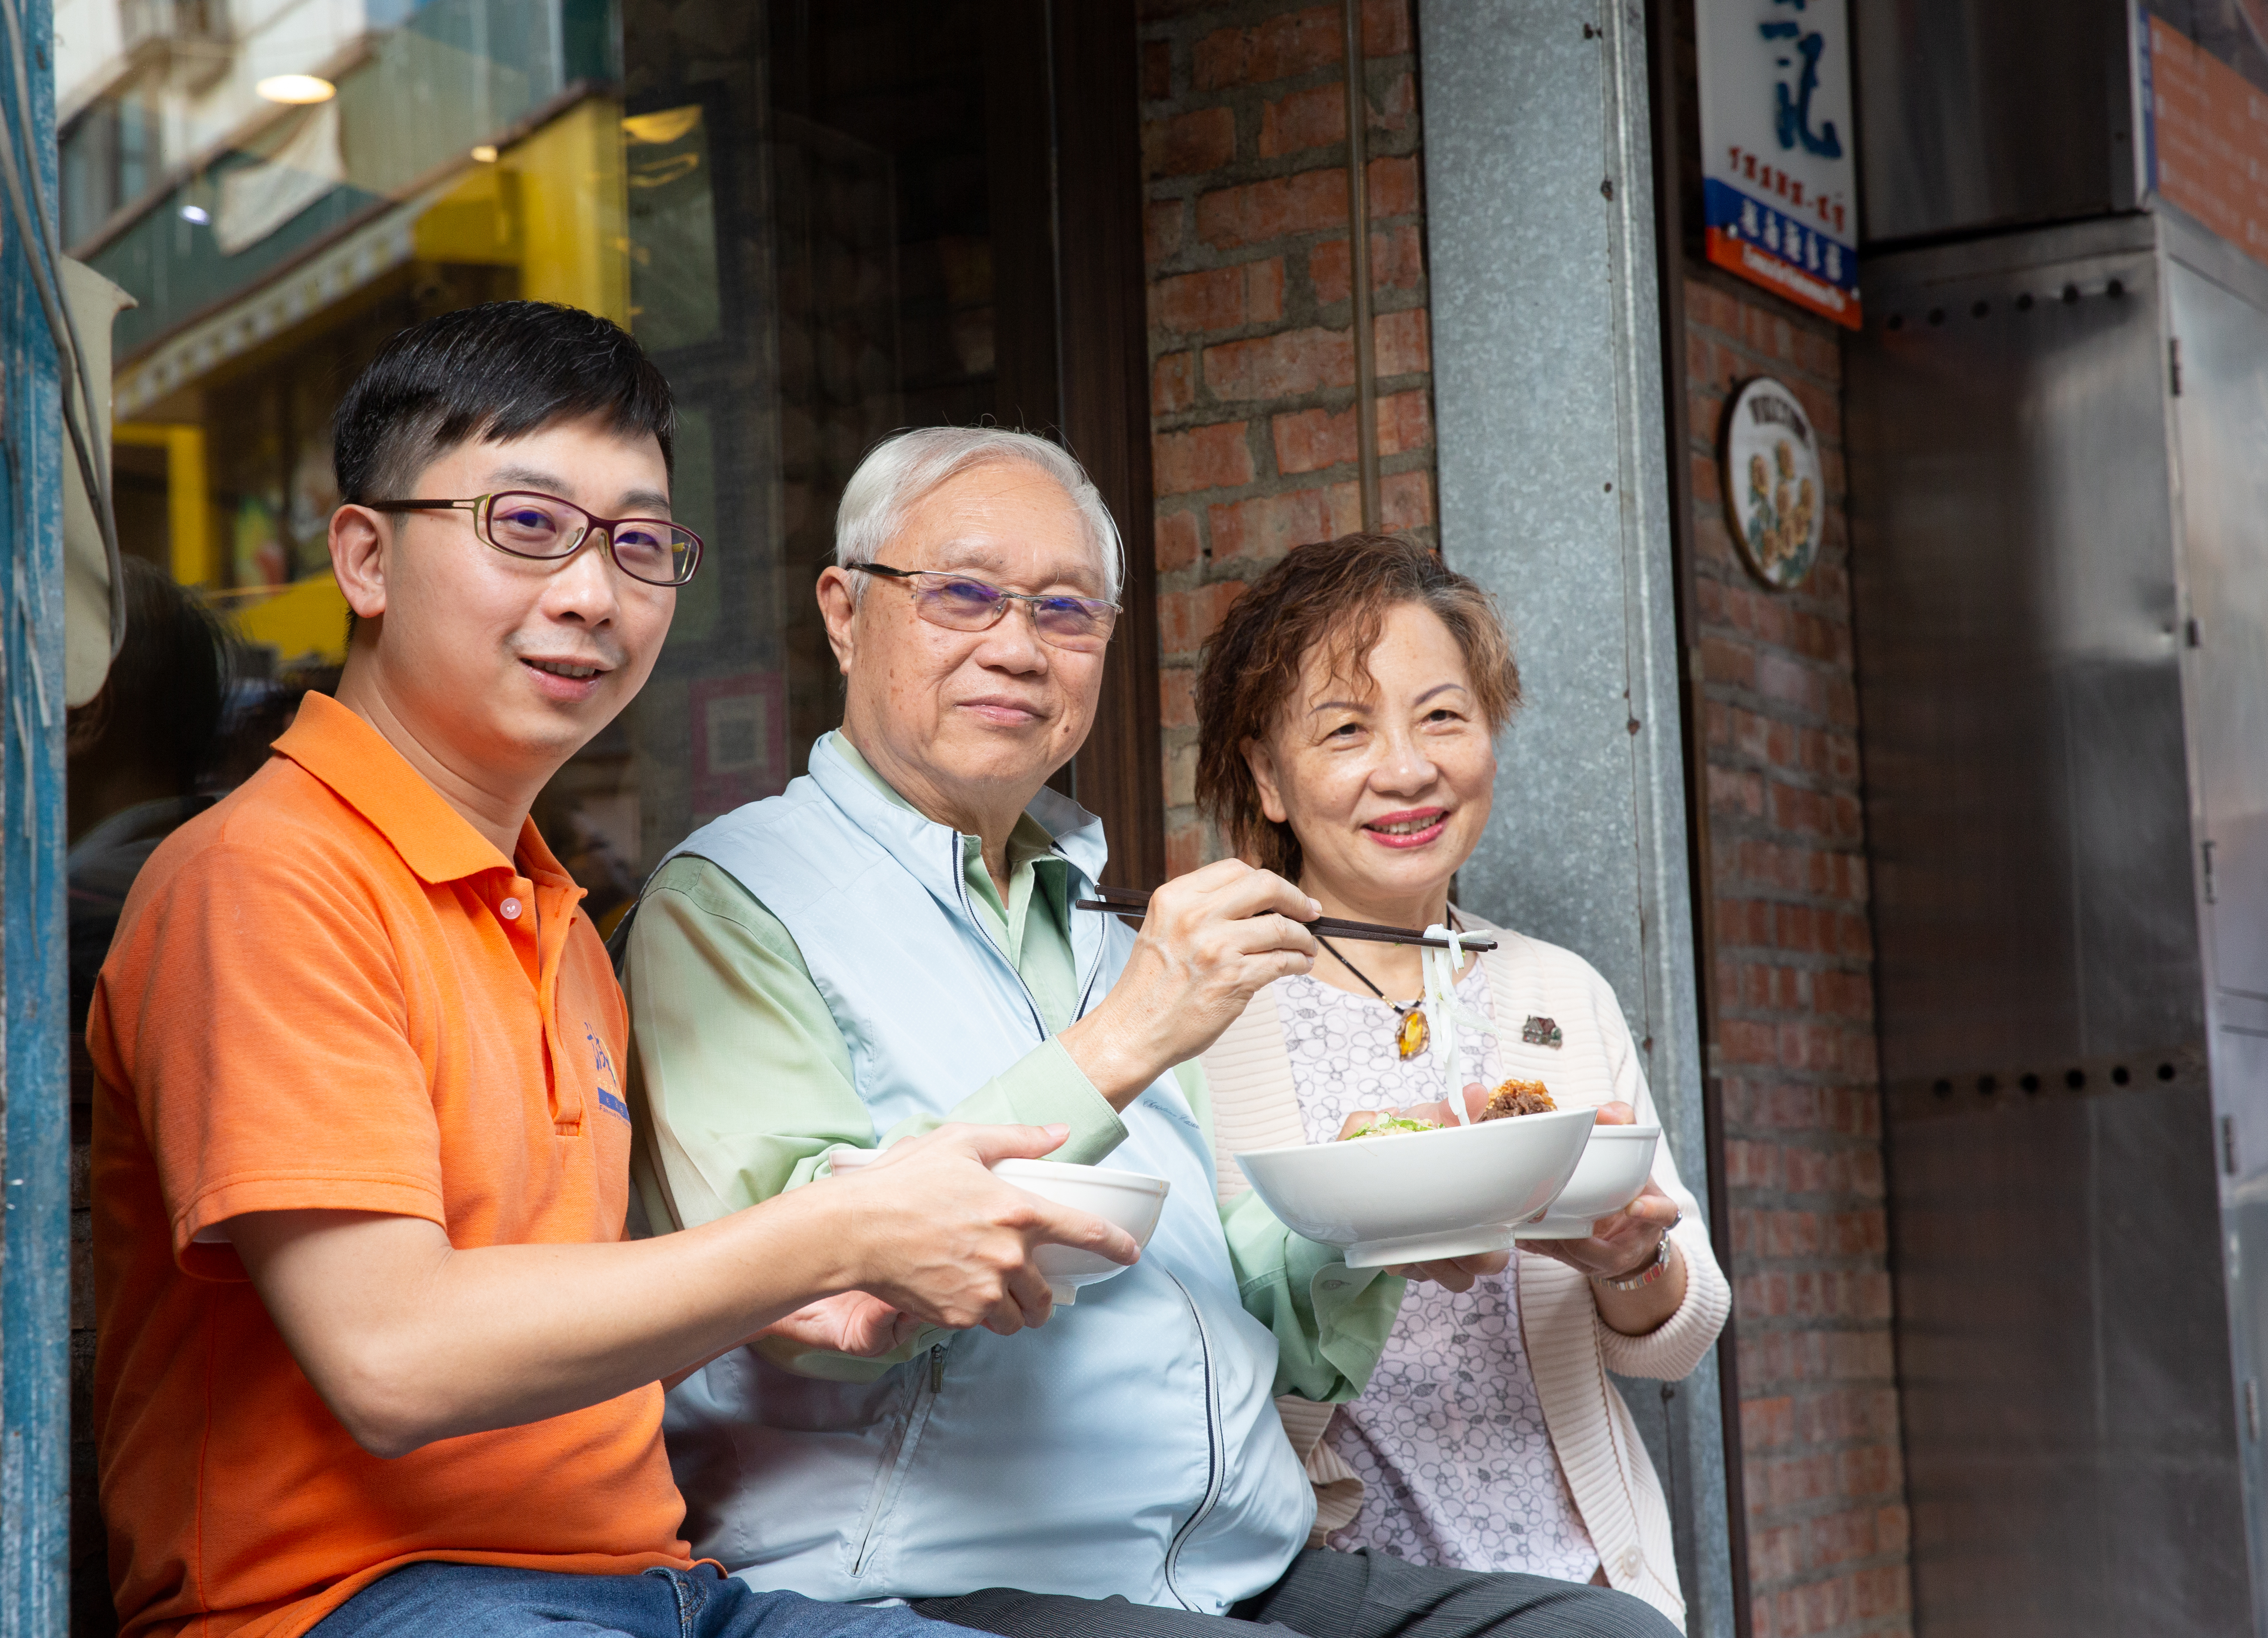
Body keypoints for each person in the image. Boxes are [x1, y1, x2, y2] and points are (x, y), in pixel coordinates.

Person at [85, 303, 1135, 1638]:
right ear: (366, 556)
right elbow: (393, 1358)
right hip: (346, 1603)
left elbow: (570, 1310)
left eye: (638, 544)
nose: (591, 592)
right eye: (526, 524)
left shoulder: (563, 919)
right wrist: (831, 1231)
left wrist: (799, 1289)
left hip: (662, 1589)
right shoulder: (265, 877)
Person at [623, 425, 1674, 1637]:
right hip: (930, 1574)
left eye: (1066, 612)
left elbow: (1257, 1330)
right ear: (846, 611)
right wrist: (1125, 1038)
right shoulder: (736, 897)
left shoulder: (1102, 929)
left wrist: (1394, 1230)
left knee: (1609, 1635)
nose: (1018, 646)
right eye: (965, 594)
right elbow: (797, 1301)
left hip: (1236, 1564)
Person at [1189, 535, 1731, 1628]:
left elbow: (1682, 1330)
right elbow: (1181, 1353)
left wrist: (1634, 1259)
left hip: (1585, 1577)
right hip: (1326, 1581)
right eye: (1346, 729)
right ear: (1266, 776)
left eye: (1443, 716)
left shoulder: (1555, 988)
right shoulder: (1205, 1007)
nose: (1407, 768)